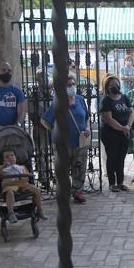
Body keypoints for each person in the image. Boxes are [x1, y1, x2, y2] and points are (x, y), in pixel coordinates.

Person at [41, 74, 91, 203]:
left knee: (80, 166)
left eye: (73, 84)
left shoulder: (80, 99)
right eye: (69, 85)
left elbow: (86, 117)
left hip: (79, 141)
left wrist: (87, 128)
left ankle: (78, 191)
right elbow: (45, 121)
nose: (72, 87)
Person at [99, 76, 134, 192]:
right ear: (107, 88)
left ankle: (120, 182)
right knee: (112, 158)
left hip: (124, 133)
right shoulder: (106, 100)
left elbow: (131, 112)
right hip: (111, 134)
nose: (115, 86)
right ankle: (112, 183)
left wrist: (128, 126)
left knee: (121, 158)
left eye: (116, 84)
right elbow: (108, 118)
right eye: (112, 85)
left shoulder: (124, 97)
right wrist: (122, 128)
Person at [0, 149, 47, 223]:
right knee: (10, 193)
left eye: (12, 155)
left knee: (36, 190)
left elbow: (27, 176)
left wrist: (22, 176)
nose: (10, 158)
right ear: (3, 160)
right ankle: (11, 213)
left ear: (16, 157)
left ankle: (40, 210)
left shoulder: (21, 167)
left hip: (23, 184)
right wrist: (3, 167)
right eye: (7, 157)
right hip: (9, 185)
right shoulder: (2, 168)